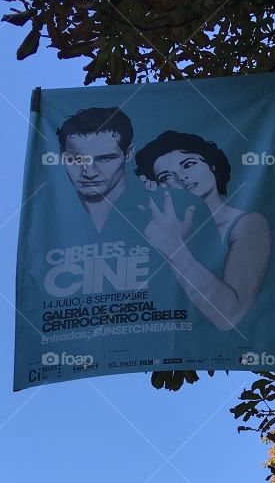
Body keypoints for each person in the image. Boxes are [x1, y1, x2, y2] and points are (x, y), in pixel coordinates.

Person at [56, 111, 224, 327]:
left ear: (128, 154)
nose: (89, 172)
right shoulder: (49, 220)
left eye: (105, 158)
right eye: (76, 160)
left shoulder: (174, 209)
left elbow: (223, 310)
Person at [134, 130, 272, 331]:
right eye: (166, 176)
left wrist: (172, 246)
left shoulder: (247, 224)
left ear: (211, 166)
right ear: (158, 187)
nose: (181, 177)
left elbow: (229, 315)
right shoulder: (164, 229)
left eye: (188, 164)